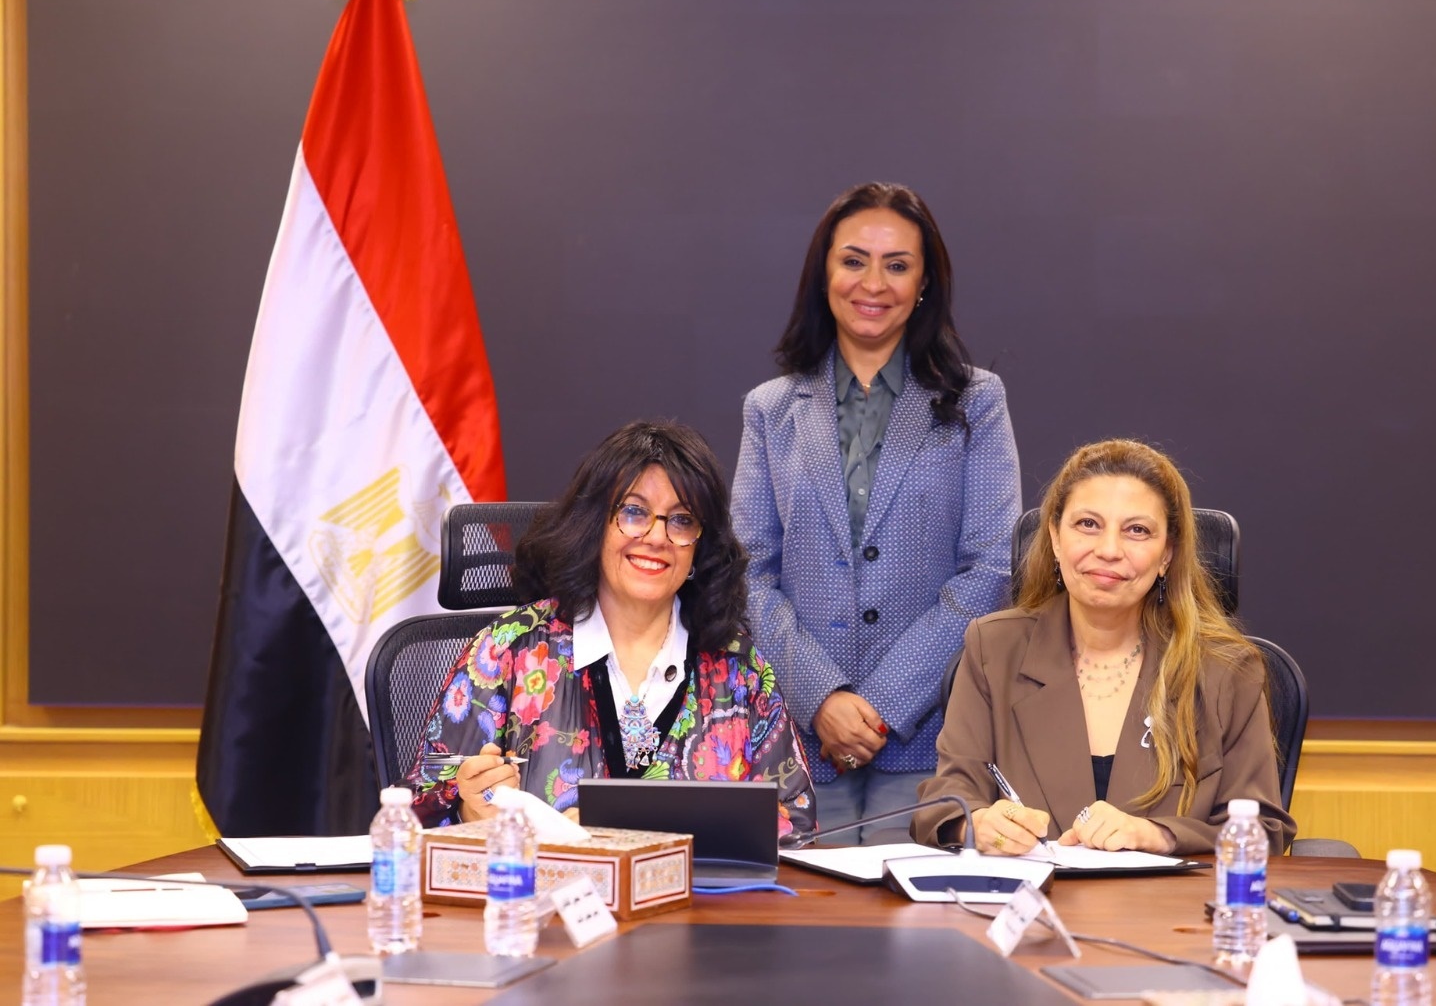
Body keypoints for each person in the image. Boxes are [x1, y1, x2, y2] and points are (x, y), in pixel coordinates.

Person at [732, 182, 1021, 842]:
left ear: (924, 283)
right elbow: (747, 572)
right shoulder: (769, 408)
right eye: (853, 260)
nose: (873, 283)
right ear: (824, 274)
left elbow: (992, 568)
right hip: (801, 740)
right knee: (808, 907)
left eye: (896, 265)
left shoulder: (977, 402)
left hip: (932, 741)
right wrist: (821, 697)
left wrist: (884, 703)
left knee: (916, 908)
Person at [406, 421, 816, 838]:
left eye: (681, 520)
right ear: (594, 524)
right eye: (634, 512)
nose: (657, 537)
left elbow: (796, 821)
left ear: (699, 545)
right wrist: (469, 812)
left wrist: (637, 827)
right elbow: (414, 813)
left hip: (694, 884)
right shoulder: (509, 649)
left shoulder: (738, 667)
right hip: (541, 881)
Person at [912, 439, 1295, 855]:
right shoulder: (993, 649)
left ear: (1167, 554)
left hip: (1170, 899)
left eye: (1137, 531)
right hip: (1029, 894)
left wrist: (1158, 835)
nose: (1109, 550)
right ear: (1055, 537)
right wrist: (976, 824)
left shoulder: (1226, 669)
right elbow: (945, 803)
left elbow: (1264, 831)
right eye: (1088, 524)